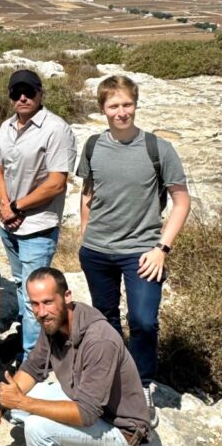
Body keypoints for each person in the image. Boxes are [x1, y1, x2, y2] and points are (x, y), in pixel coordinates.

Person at [0, 268, 150, 446]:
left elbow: (86, 414)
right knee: (15, 410)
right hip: (86, 400)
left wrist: (23, 403)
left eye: (47, 302)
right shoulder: (54, 323)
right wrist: (0, 404)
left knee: (37, 426)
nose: (41, 312)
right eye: (35, 304)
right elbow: (33, 368)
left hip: (120, 427)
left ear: (67, 296)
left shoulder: (99, 340)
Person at [76, 74, 190, 426]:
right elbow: (88, 192)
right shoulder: (93, 146)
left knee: (143, 320)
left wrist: (162, 248)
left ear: (136, 104)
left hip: (142, 252)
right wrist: (85, 234)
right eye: (114, 105)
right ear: (103, 108)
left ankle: (141, 384)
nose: (121, 112)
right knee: (105, 318)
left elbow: (181, 201)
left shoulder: (158, 149)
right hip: (97, 251)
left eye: (127, 104)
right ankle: (114, 377)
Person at [0, 69, 76, 359]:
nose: (23, 97)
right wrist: (5, 205)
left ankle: (33, 361)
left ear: (41, 93)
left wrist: (17, 207)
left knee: (36, 300)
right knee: (20, 286)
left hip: (37, 227)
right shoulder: (5, 128)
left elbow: (56, 183)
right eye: (16, 93)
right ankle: (27, 345)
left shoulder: (56, 129)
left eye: (29, 92)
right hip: (10, 226)